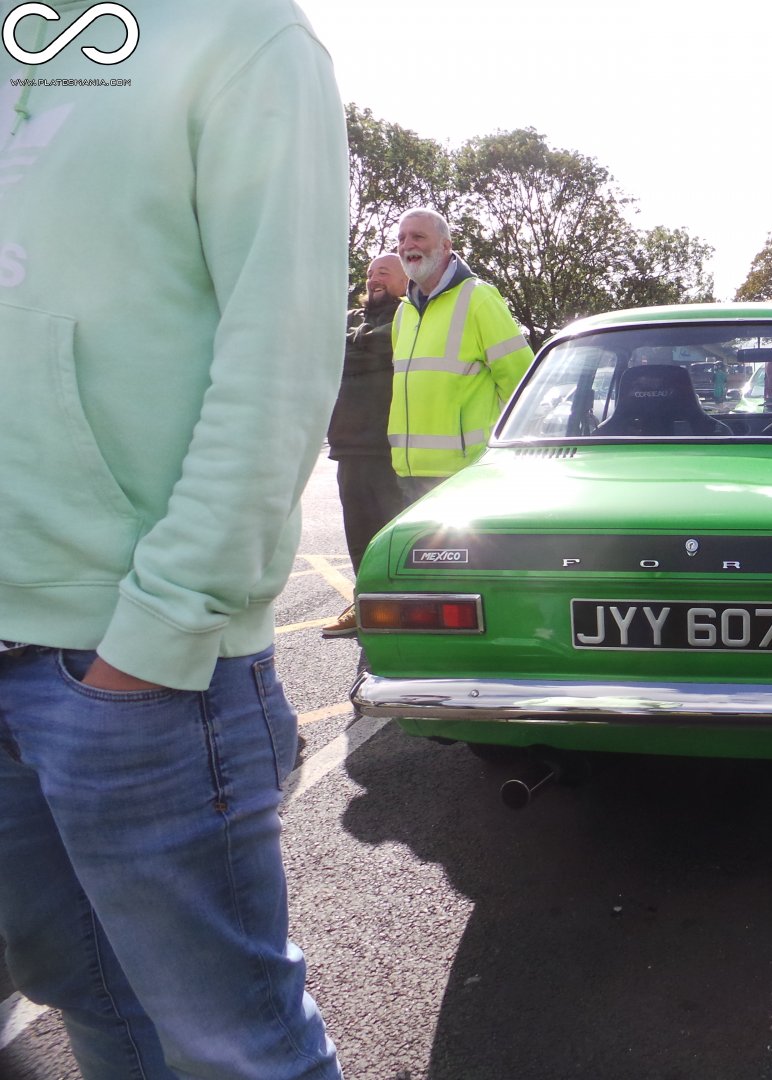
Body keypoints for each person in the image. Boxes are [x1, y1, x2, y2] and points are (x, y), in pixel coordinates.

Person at [0, 2, 348, 1078]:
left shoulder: (243, 38)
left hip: (134, 669)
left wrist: (158, 635)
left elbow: (278, 360)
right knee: (90, 1002)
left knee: (234, 1049)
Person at [389, 208, 535, 501]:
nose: (407, 245)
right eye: (402, 238)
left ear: (446, 245)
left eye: (418, 236)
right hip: (407, 475)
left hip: (465, 474)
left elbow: (523, 386)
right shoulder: (403, 311)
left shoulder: (478, 297)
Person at [322, 253, 407, 639]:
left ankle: (405, 607)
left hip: (393, 446)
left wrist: (360, 347)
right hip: (349, 445)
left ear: (406, 281)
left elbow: (392, 345)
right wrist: (363, 344)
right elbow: (329, 353)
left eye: (384, 273)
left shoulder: (410, 316)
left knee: (395, 534)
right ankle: (364, 604)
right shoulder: (348, 320)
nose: (373, 279)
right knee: (358, 535)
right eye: (371, 273)